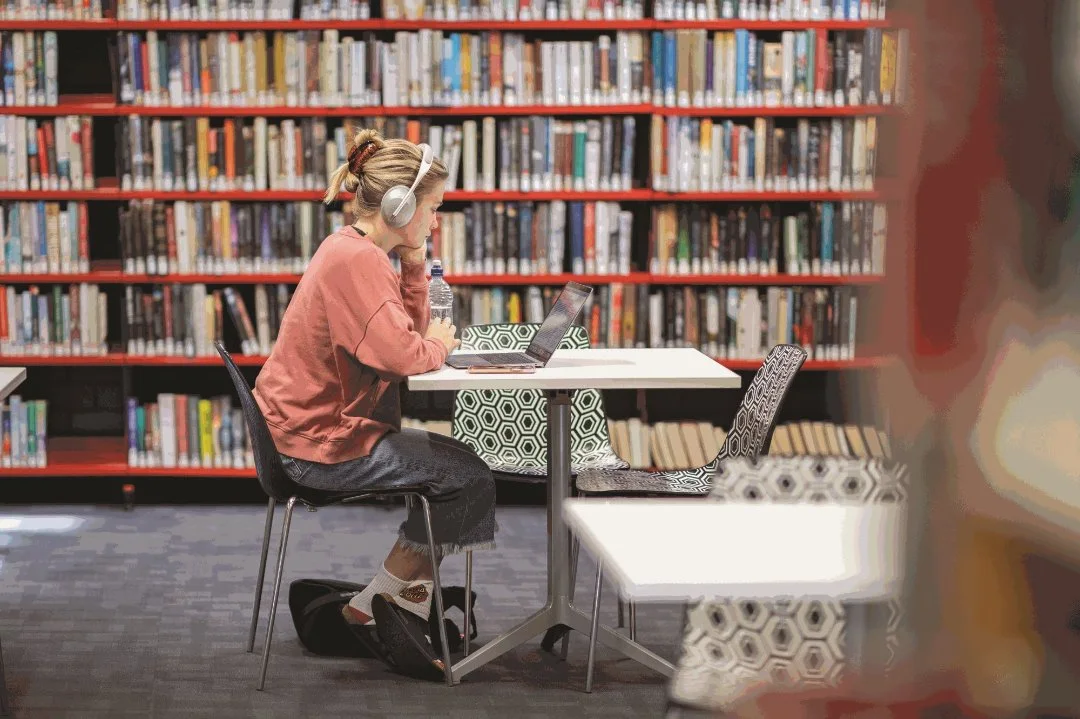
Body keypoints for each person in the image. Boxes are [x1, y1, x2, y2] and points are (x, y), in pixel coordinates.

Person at [253, 128, 497, 673]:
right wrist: (438, 345)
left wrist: (413, 264)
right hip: (316, 446)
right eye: (432, 210)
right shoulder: (355, 262)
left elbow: (401, 333)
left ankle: (397, 603)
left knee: (448, 467)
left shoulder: (355, 252)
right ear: (399, 204)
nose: (434, 223)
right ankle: (381, 605)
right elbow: (405, 354)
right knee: (470, 478)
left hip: (309, 431)